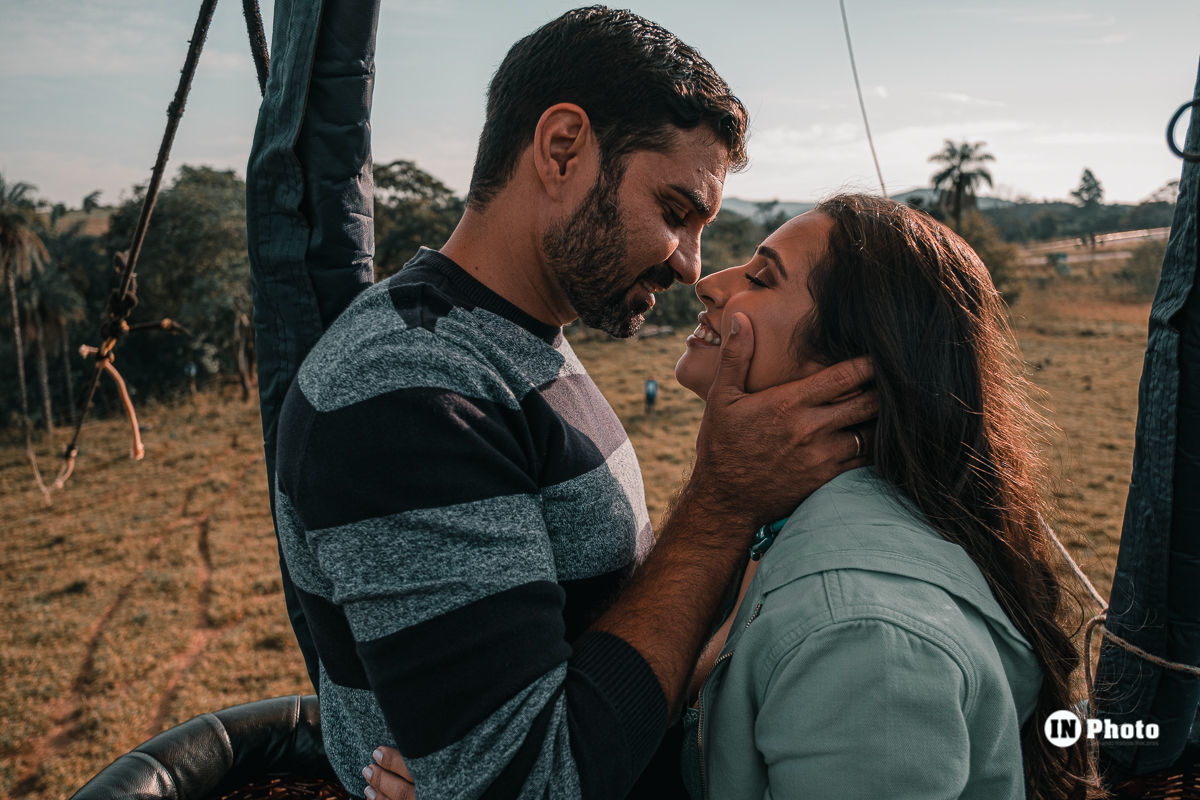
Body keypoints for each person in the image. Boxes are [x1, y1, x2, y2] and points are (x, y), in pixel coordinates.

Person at [260, 4, 876, 799]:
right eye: (675, 211)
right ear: (562, 149)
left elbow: (614, 626)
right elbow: (534, 782)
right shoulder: (408, 387)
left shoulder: (517, 336)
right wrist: (721, 501)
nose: (691, 265)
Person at [365, 195, 1098, 800]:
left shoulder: (860, 634)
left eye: (764, 276)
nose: (709, 280)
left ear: (852, 367)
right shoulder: (780, 525)